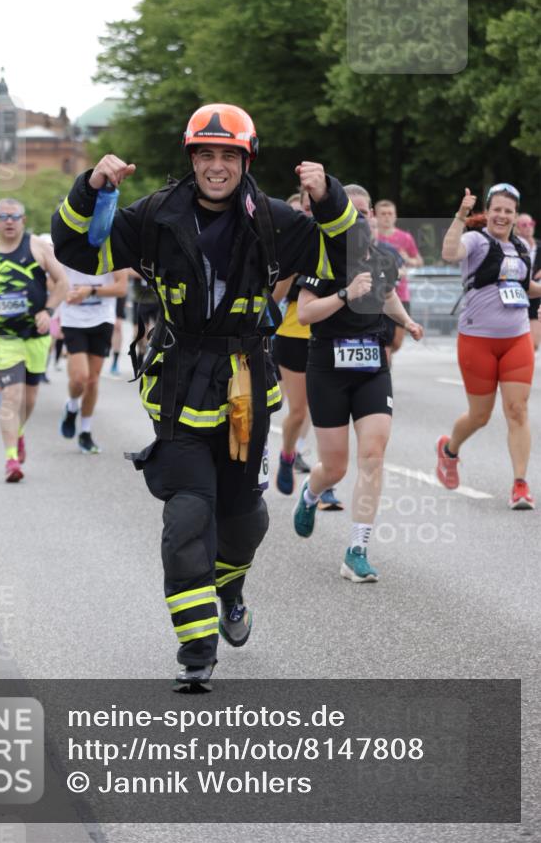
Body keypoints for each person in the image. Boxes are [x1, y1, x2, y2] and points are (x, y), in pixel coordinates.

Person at [52, 102, 363, 690]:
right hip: (178, 386)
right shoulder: (154, 215)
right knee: (188, 513)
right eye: (205, 154)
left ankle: (232, 589)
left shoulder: (276, 220)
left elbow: (351, 260)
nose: (215, 166)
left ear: (244, 160)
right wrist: (91, 189)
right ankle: (196, 652)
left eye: (228, 155)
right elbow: (79, 254)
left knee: (243, 518)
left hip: (247, 385)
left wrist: (330, 201)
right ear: (191, 158)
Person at [294, 183, 424, 582]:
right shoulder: (321, 257)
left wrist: (406, 321)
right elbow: (304, 314)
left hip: (372, 363)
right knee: (334, 467)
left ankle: (356, 550)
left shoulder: (384, 257)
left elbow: (385, 296)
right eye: (352, 211)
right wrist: (345, 295)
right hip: (327, 367)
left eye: (365, 212)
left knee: (373, 455)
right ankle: (311, 493)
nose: (360, 218)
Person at [436, 185, 541, 510]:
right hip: (477, 341)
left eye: (509, 210)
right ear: (489, 210)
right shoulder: (476, 240)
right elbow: (449, 253)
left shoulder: (522, 247)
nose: (502, 215)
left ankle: (520, 485)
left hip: (517, 338)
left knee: (517, 410)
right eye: (497, 209)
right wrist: (461, 215)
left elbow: (526, 287)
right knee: (480, 416)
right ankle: (449, 449)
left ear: (515, 214)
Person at [0, 199, 68, 482]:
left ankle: (19, 432)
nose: (9, 222)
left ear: (23, 219)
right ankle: (11, 459)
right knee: (11, 396)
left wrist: (48, 311)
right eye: (3, 217)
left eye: (15, 217)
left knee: (29, 398)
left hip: (35, 335)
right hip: (3, 336)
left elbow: (62, 283)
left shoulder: (39, 247)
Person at [273, 190, 342, 510]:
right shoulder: (288, 244)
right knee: (298, 410)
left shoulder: (333, 241)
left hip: (328, 336)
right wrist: (290, 267)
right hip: (292, 334)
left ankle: (325, 482)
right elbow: (274, 298)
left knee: (327, 413)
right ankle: (287, 455)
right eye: (303, 209)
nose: (309, 215)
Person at [58, 264, 128, 452]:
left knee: (92, 381)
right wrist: (65, 292)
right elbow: (51, 281)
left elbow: (122, 287)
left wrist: (91, 291)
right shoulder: (66, 246)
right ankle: (72, 407)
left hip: (102, 319)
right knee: (79, 378)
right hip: (73, 319)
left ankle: (86, 433)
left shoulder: (109, 248)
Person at [374, 199, 423, 360]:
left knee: (396, 341)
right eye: (383, 214)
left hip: (401, 294)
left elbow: (419, 261)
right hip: (381, 294)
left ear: (395, 216)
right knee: (384, 340)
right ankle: (383, 368)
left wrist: (408, 259)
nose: (387, 217)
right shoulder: (373, 237)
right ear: (376, 216)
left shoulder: (405, 237)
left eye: (390, 214)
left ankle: (384, 359)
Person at [516, 212, 541, 352]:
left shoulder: (540, 246)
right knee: (519, 346)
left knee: (533, 345)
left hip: (536, 298)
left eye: (531, 224)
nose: (528, 227)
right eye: (524, 225)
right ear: (517, 228)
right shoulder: (512, 246)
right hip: (517, 297)